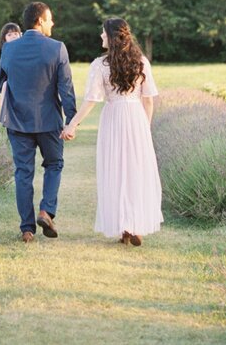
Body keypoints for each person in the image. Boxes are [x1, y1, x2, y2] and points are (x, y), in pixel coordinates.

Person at [62, 16, 162, 246]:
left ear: (112, 37)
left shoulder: (100, 65)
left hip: (114, 118)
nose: (100, 36)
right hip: (136, 118)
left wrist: (73, 124)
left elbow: (91, 100)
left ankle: (124, 226)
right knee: (135, 171)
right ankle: (135, 224)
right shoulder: (141, 62)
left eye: (103, 33)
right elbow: (148, 101)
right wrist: (145, 129)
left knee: (115, 170)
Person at [0, 2, 77, 243]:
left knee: (23, 173)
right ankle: (46, 210)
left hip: (18, 122)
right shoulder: (57, 48)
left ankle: (27, 229)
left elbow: (1, 83)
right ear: (40, 20)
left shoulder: (9, 50)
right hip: (49, 121)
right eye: (50, 19)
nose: (52, 23)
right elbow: (66, 89)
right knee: (54, 165)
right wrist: (71, 120)